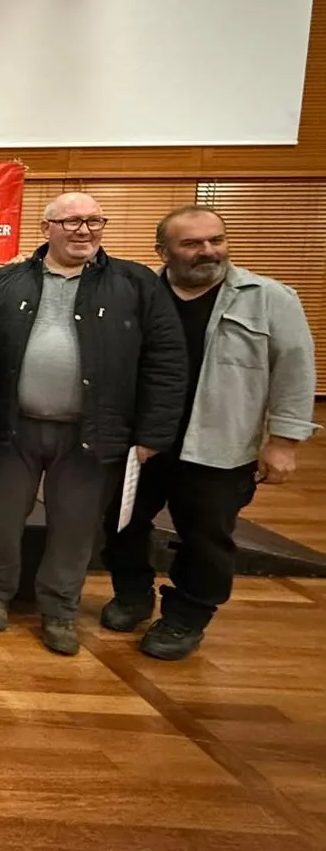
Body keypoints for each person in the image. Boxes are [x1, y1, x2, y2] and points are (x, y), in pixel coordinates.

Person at [100, 206, 318, 660]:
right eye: (191, 243)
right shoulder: (138, 294)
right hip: (141, 440)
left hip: (220, 445)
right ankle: (132, 593)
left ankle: (187, 616)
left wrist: (283, 442)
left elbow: (295, 372)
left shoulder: (270, 298)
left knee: (206, 537)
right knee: (121, 522)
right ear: (163, 251)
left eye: (216, 240)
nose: (208, 251)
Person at [0, 192, 186, 656]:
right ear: (46, 228)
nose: (84, 230)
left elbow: (167, 361)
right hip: (14, 428)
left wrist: (153, 433)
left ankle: (59, 610)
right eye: (71, 222)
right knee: (1, 518)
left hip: (92, 434)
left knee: (76, 526)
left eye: (94, 221)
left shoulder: (135, 283)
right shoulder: (6, 282)